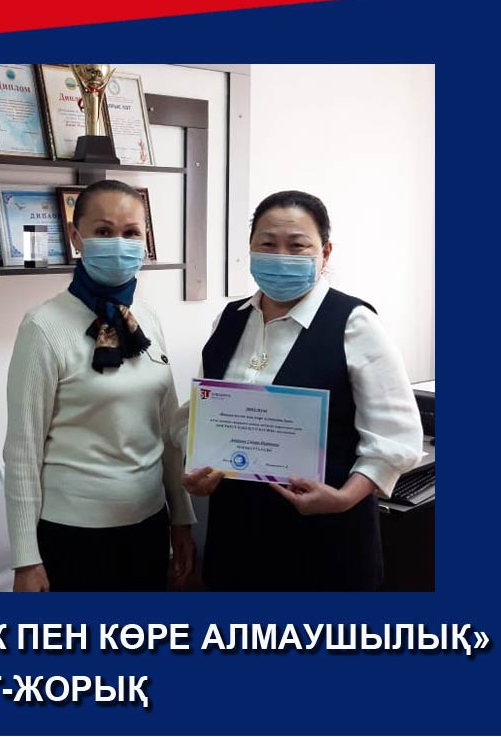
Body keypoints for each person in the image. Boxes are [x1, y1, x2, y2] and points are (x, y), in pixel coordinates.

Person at [180, 190, 423, 591]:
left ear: (325, 252)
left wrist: (345, 498)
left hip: (326, 541)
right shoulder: (229, 319)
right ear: (250, 249)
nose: (281, 256)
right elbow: (205, 414)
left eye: (297, 246)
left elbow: (396, 437)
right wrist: (196, 469)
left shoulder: (354, 323)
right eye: (267, 244)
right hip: (237, 536)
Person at [3, 179, 196, 592]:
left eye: (131, 233)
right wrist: (25, 559)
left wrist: (181, 518)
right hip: (74, 535)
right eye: (104, 231)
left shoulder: (146, 316)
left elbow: (166, 432)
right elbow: (22, 450)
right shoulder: (43, 326)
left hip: (148, 525)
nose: (119, 244)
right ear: (77, 237)